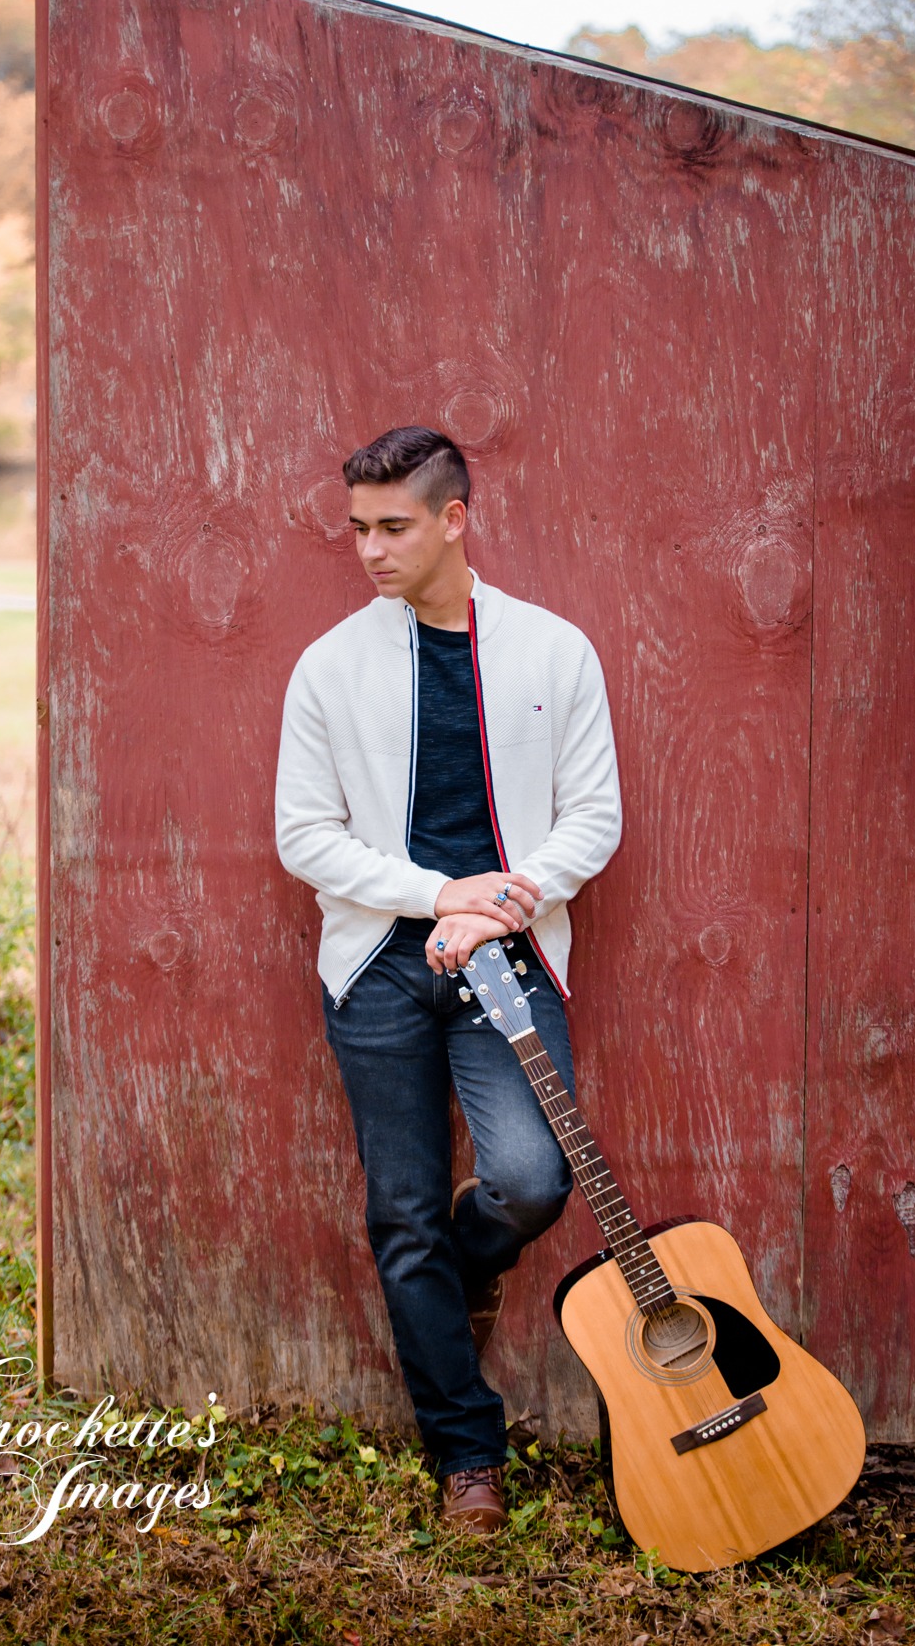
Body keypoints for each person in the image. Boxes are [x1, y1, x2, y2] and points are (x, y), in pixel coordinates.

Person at [275, 426, 622, 1534]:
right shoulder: (329, 666)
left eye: (393, 527)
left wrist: (503, 903)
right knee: (404, 1215)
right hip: (378, 960)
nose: (370, 549)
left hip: (509, 958)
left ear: (454, 519)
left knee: (529, 1180)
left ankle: (470, 1273)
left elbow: (593, 820)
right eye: (358, 529)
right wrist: (440, 899)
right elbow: (304, 838)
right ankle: (465, 1453)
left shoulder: (553, 651)